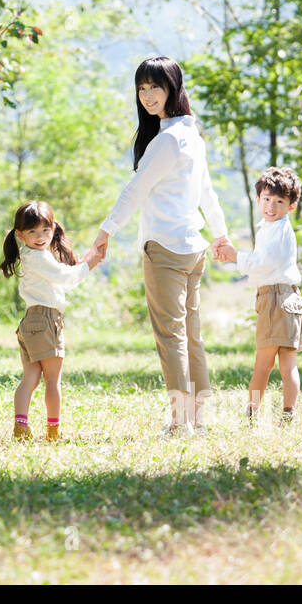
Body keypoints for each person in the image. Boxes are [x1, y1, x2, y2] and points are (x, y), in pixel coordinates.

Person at [91, 56, 231, 436]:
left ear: (174, 88)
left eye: (156, 87)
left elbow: (134, 190)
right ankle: (199, 419)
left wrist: (105, 232)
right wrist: (220, 234)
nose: (148, 96)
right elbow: (208, 193)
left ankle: (180, 422)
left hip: (166, 250)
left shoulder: (166, 141)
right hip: (193, 248)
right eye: (142, 88)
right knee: (191, 335)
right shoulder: (191, 136)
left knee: (171, 337)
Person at [0, 200, 104, 442]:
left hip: (29, 322)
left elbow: (58, 275)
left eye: (45, 230)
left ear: (53, 228)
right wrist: (90, 264)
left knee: (30, 379)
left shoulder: (29, 255)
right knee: (52, 381)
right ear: (20, 234)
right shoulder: (39, 257)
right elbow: (64, 279)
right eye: (32, 232)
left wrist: (77, 266)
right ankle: (53, 431)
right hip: (46, 320)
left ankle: (21, 426)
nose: (40, 236)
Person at [215, 167, 302, 423]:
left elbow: (262, 264)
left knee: (264, 364)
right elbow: (264, 263)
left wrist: (235, 256)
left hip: (276, 298)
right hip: (292, 298)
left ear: (291, 206)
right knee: (288, 365)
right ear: (257, 199)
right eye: (266, 199)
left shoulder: (275, 229)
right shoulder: (278, 228)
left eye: (280, 201)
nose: (271, 206)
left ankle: (252, 413)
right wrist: (236, 257)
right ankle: (289, 413)